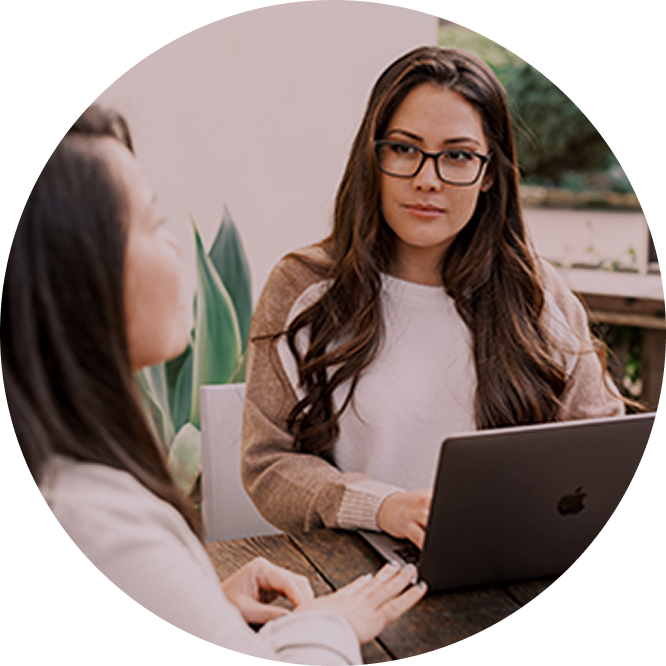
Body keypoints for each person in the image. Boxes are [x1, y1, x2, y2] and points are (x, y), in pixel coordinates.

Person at [0, 106, 427, 666]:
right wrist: (327, 626)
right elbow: (271, 462)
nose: (177, 247)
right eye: (153, 224)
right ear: (73, 270)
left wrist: (194, 608)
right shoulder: (93, 516)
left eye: (460, 155)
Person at [241, 46, 625, 551]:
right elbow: (269, 464)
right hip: (357, 577)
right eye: (404, 148)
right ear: (372, 158)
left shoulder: (538, 294)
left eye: (458, 156)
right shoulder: (303, 288)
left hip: (512, 572)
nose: (428, 178)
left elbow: (604, 447)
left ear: (489, 173)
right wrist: (382, 506)